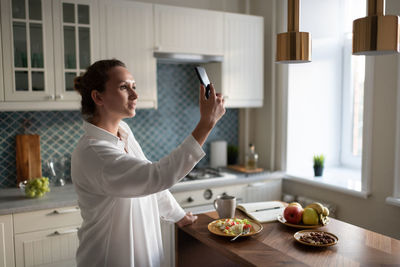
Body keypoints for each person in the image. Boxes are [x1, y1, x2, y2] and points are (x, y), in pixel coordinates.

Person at [71, 59, 225, 267]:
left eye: (134, 87)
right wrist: (206, 124)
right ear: (98, 97)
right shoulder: (94, 153)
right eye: (124, 87)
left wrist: (178, 215)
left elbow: (149, 184)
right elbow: (156, 176)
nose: (135, 95)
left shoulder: (124, 132)